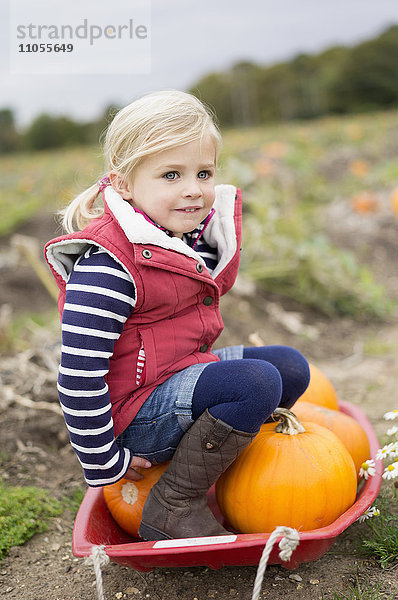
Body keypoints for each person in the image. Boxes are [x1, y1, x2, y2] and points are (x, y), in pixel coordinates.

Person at [45, 90, 310, 541]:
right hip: (132, 418)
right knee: (257, 382)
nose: (194, 188)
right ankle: (174, 504)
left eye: (203, 173)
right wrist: (105, 461)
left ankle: (226, 467)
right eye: (171, 174)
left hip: (175, 377)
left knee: (288, 367)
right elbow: (78, 377)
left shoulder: (176, 236)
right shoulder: (107, 267)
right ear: (123, 185)